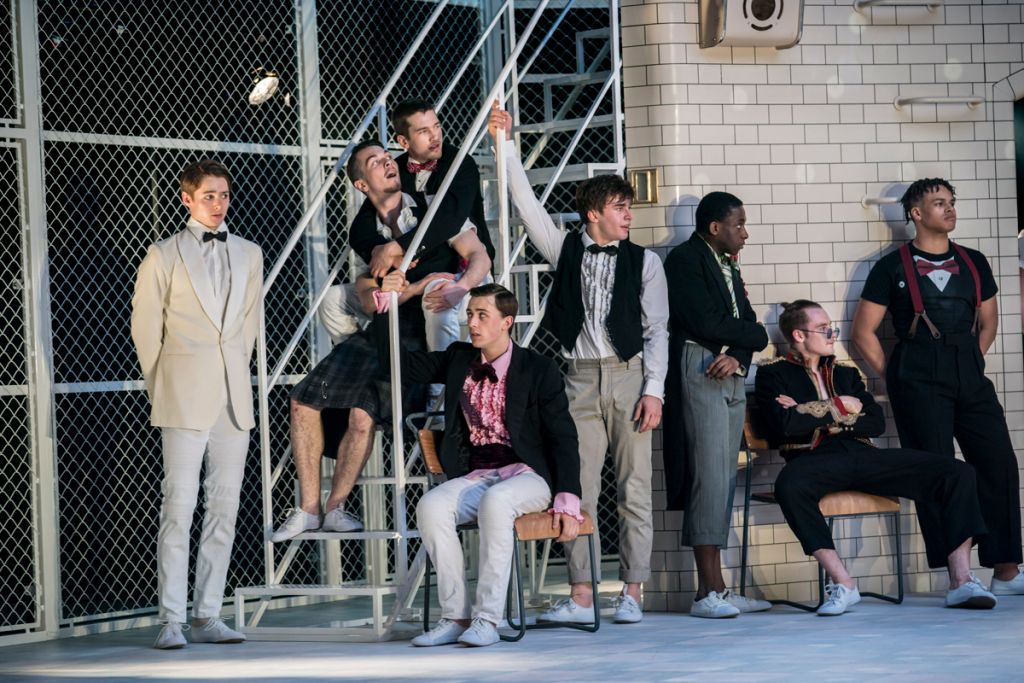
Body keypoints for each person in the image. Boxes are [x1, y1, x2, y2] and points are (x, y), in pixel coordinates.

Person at [488, 105, 668, 624]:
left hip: (629, 376)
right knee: (577, 487)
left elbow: (657, 330)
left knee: (635, 487)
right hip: (579, 379)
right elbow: (525, 204)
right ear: (593, 213)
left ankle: (632, 591)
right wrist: (504, 145)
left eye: (629, 208)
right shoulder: (563, 248)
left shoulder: (646, 261)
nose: (628, 215)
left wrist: (653, 389)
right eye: (619, 208)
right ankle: (582, 593)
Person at [270, 141, 490, 543]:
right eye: (376, 162)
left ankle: (336, 506)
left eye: (389, 158)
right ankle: (308, 509)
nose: (389, 163)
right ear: (361, 184)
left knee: (362, 414)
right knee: (302, 400)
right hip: (380, 329)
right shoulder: (364, 230)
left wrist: (454, 285)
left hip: (419, 336)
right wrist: (407, 287)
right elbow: (372, 296)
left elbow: (479, 255)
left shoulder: (431, 207)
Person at [375, 281, 582, 647]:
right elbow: (401, 366)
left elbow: (562, 436)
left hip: (528, 476)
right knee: (432, 505)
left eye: (482, 315)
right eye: (470, 314)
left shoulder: (538, 368)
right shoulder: (459, 358)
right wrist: (384, 312)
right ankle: (456, 615)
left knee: (496, 501)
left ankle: (488, 619)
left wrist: (567, 497)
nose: (472, 322)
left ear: (506, 322)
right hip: (479, 474)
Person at [755, 300, 995, 615]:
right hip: (813, 460)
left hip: (862, 454)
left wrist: (806, 411)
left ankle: (961, 581)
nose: (832, 334)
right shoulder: (773, 374)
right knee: (789, 485)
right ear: (799, 335)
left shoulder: (846, 373)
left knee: (957, 473)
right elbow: (783, 426)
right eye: (824, 329)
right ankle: (844, 583)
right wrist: (840, 406)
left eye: (831, 328)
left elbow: (875, 422)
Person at [851, 178, 1024, 595]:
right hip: (917, 372)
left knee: (998, 462)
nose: (949, 209)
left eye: (951, 202)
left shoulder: (974, 261)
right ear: (916, 213)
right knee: (937, 469)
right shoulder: (890, 267)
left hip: (968, 367)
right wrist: (897, 377)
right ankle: (959, 578)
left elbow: (988, 321)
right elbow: (863, 332)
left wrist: (970, 359)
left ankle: (1006, 570)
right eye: (938, 202)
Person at [131, 160, 263, 649]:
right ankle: (171, 617)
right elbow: (146, 329)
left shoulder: (249, 252)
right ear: (187, 198)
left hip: (233, 397)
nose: (218, 204)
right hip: (183, 395)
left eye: (224, 195)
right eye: (209, 195)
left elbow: (249, 323)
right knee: (179, 505)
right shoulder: (163, 253)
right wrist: (163, 386)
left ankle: (208, 613)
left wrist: (238, 373)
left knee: (225, 507)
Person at [662, 191, 772, 619]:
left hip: (728, 369)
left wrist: (740, 355)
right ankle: (707, 592)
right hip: (699, 366)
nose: (745, 233)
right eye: (738, 224)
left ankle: (717, 588)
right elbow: (705, 322)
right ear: (714, 227)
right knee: (707, 476)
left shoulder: (728, 263)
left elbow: (753, 328)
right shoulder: (684, 261)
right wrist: (748, 338)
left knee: (723, 477)